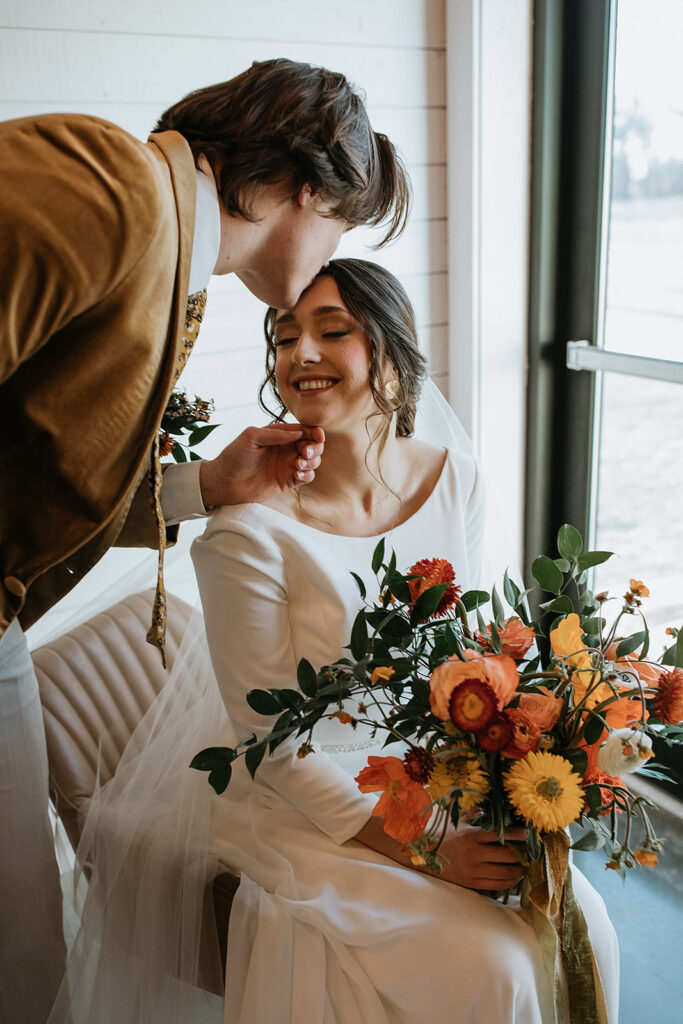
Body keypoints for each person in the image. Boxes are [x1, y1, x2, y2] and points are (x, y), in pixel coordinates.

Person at [0, 61, 409, 1024]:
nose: (321, 269)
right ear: (312, 186)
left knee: (22, 950)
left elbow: (32, 465)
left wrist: (205, 487)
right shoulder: (108, 182)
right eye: (341, 229)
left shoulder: (168, 262)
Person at [188, 259, 619, 1022]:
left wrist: (506, 777)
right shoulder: (245, 533)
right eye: (285, 338)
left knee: (583, 926)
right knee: (496, 970)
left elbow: (480, 654)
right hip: (315, 803)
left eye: (332, 331)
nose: (300, 355)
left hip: (438, 770)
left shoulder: (455, 479)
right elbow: (269, 741)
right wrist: (424, 847)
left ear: (392, 354)